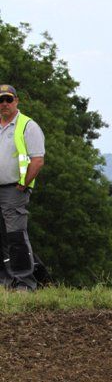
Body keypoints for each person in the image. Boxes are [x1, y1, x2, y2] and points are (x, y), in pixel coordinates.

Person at [0, 84, 45, 291]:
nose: (4, 104)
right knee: (3, 238)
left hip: (14, 189)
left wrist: (23, 184)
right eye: (1, 100)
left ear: (16, 101)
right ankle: (5, 281)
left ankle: (25, 283)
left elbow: (37, 160)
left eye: (8, 99)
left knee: (16, 236)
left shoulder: (28, 126)